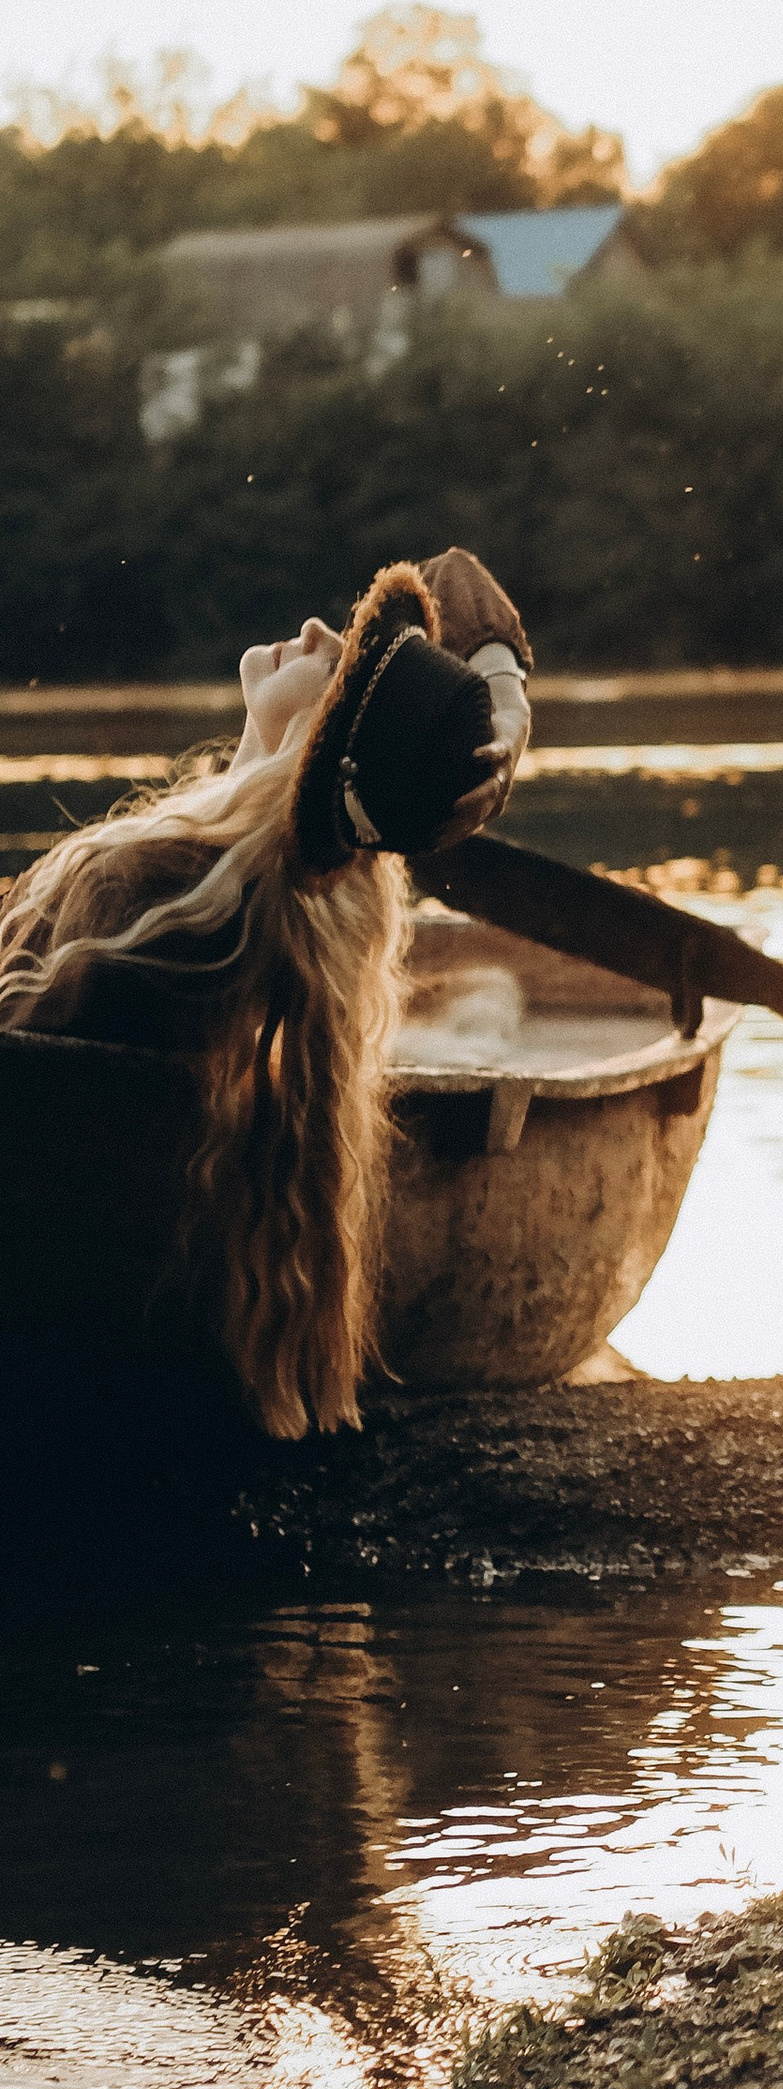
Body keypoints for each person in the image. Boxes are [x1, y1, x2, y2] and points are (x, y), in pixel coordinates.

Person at [0, 548, 533, 1438]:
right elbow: (451, 574)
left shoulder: (163, 887)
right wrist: (502, 710)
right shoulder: (240, 887)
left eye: (339, 660)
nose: (321, 628)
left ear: (323, 748)